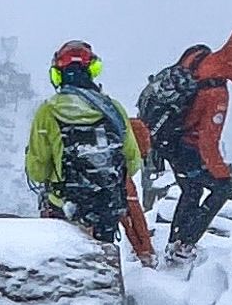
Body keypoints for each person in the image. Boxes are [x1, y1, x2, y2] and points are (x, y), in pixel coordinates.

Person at [137, 27, 232, 264]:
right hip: (184, 146)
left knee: (191, 188)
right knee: (222, 188)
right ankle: (183, 246)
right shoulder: (216, 92)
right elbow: (208, 142)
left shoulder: (197, 56)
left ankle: (176, 243)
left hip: (165, 137)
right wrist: (225, 174)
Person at [25, 41, 153, 262]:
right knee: (102, 262)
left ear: (57, 75)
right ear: (92, 70)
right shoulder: (113, 109)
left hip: (64, 207)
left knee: (65, 267)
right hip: (106, 206)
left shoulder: (48, 111)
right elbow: (132, 162)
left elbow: (37, 171)